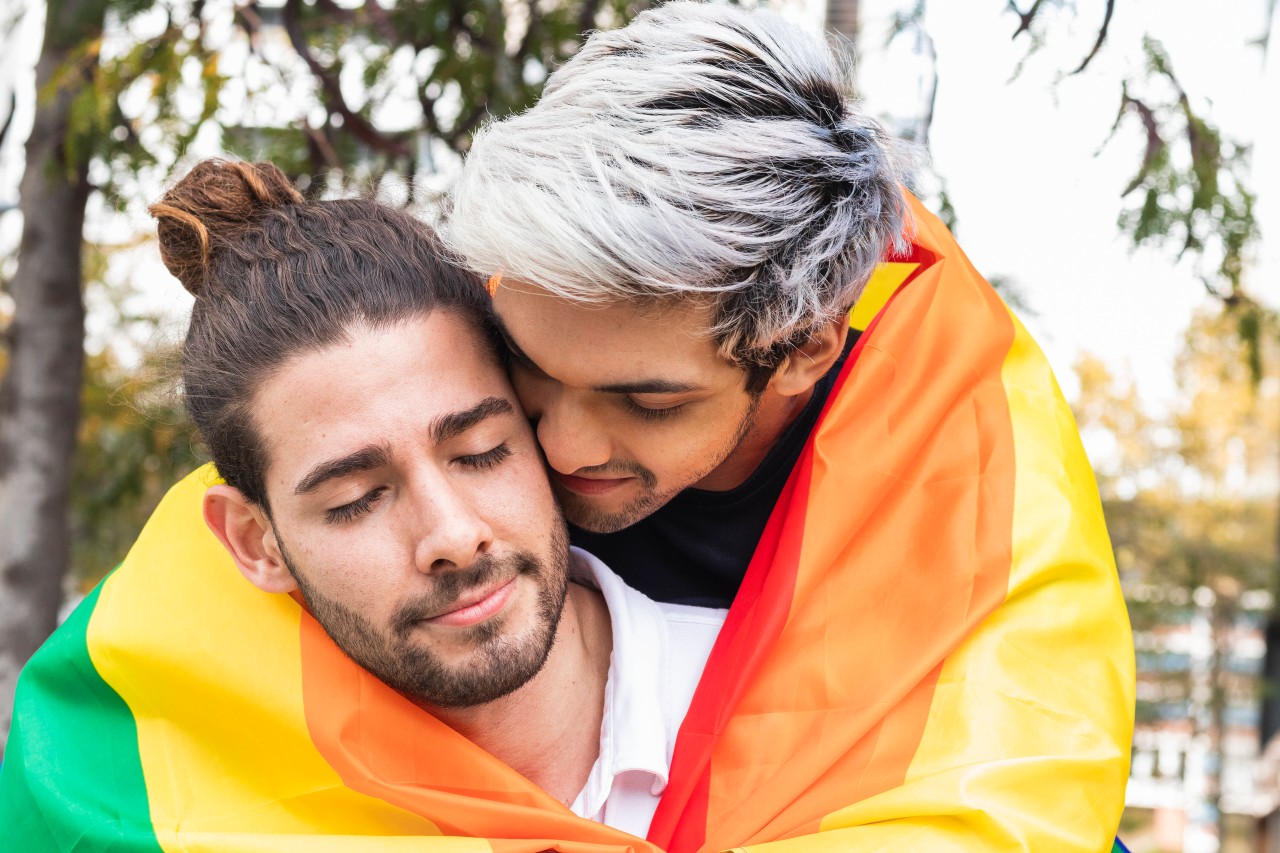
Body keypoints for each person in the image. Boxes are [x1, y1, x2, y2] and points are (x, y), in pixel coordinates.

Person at [440, 2, 1136, 851]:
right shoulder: (479, 303)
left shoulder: (973, 463)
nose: (559, 447)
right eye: (531, 367)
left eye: (650, 403)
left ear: (805, 348)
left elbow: (1004, 779)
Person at [0, 159, 723, 850]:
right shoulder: (207, 816)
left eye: (480, 450)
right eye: (355, 499)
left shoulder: (765, 687)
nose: (452, 533)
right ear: (257, 544)